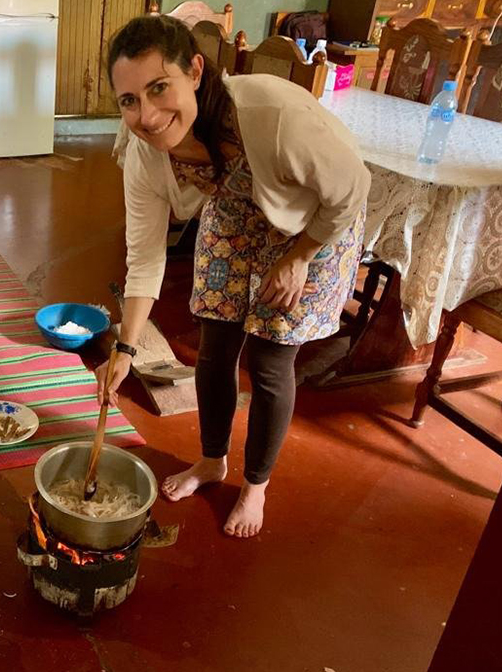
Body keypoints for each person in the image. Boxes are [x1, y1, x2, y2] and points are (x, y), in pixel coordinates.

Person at [99, 16, 370, 537]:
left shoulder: (273, 114)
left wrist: (301, 255)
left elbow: (350, 189)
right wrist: (126, 349)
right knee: (215, 346)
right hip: (233, 217)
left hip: (314, 225)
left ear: (195, 71)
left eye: (160, 88)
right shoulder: (143, 154)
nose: (148, 115)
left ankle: (255, 485)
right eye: (129, 100)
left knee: (271, 359)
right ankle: (211, 460)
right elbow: (146, 257)